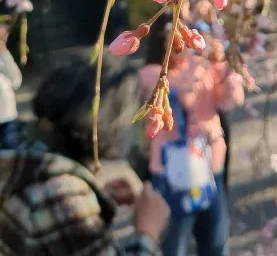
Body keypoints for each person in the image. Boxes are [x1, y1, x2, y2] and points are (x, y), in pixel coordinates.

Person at [0, 53, 170, 256]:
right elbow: (54, 203)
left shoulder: (25, 153)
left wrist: (97, 196)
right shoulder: (60, 193)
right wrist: (148, 230)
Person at [139, 13, 244, 256]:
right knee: (175, 242)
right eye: (173, 39)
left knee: (215, 240)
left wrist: (225, 66)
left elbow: (232, 98)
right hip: (170, 172)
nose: (180, 46)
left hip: (210, 165)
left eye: (183, 39)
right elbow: (183, 96)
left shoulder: (208, 69)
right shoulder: (152, 74)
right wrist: (200, 61)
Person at [189, 0, 231, 189]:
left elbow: (226, 46)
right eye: (199, 2)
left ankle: (220, 180)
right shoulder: (192, 27)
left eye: (205, 1)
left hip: (218, 85)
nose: (203, 6)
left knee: (222, 136)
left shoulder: (215, 24)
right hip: (202, 89)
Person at [0, 21, 23, 149]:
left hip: (8, 116)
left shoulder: (3, 55)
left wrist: (3, 51)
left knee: (12, 151)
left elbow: (16, 81)